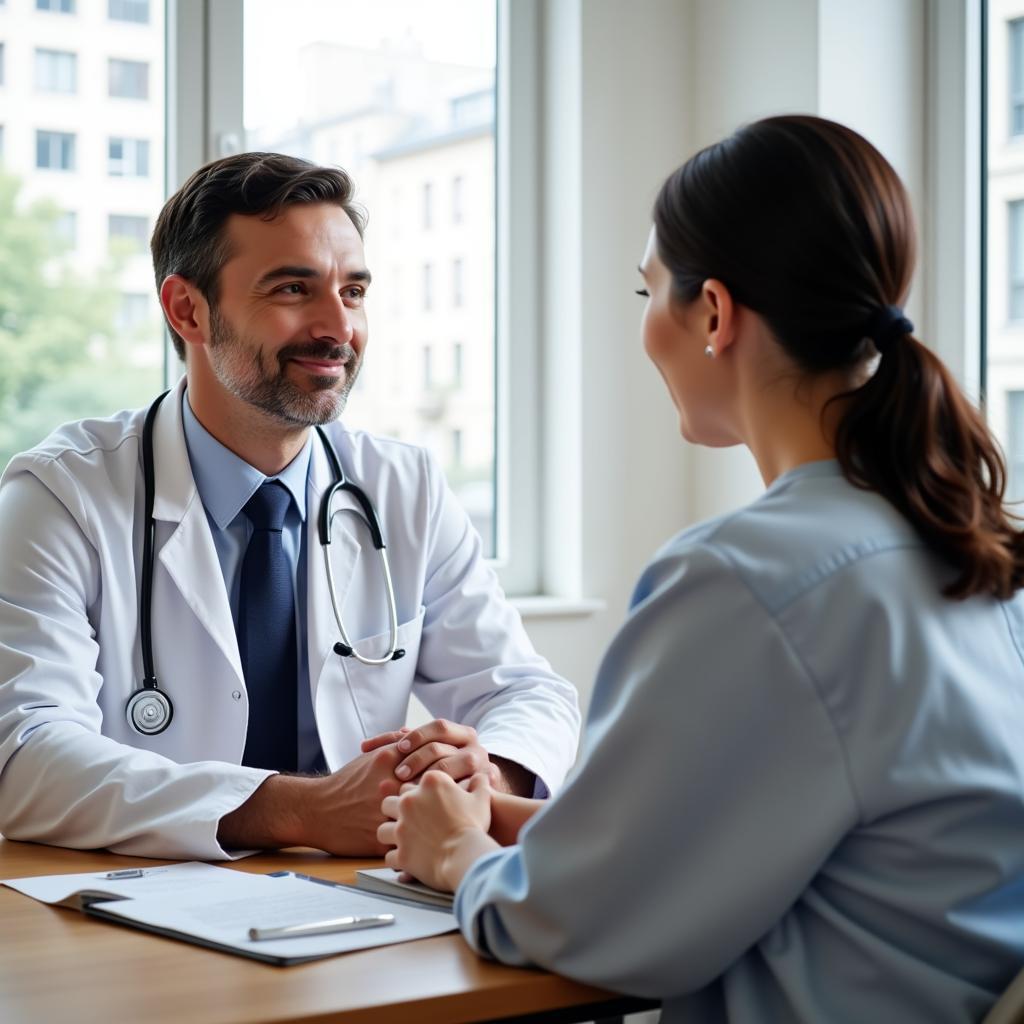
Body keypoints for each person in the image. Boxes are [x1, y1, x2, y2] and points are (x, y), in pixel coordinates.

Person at [378, 115, 1024, 1023]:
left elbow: (567, 925)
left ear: (713, 313)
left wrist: (455, 857)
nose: (646, 325)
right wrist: (521, 826)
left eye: (647, 290)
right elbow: (816, 845)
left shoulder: (748, 579)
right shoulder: (969, 548)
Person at [0, 152, 580, 860]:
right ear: (188, 309)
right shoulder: (62, 497)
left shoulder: (404, 487)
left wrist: (481, 771)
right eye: (293, 289)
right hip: (138, 906)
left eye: (355, 290)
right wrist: (298, 811)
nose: (338, 327)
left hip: (361, 897)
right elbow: (22, 754)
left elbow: (527, 693)